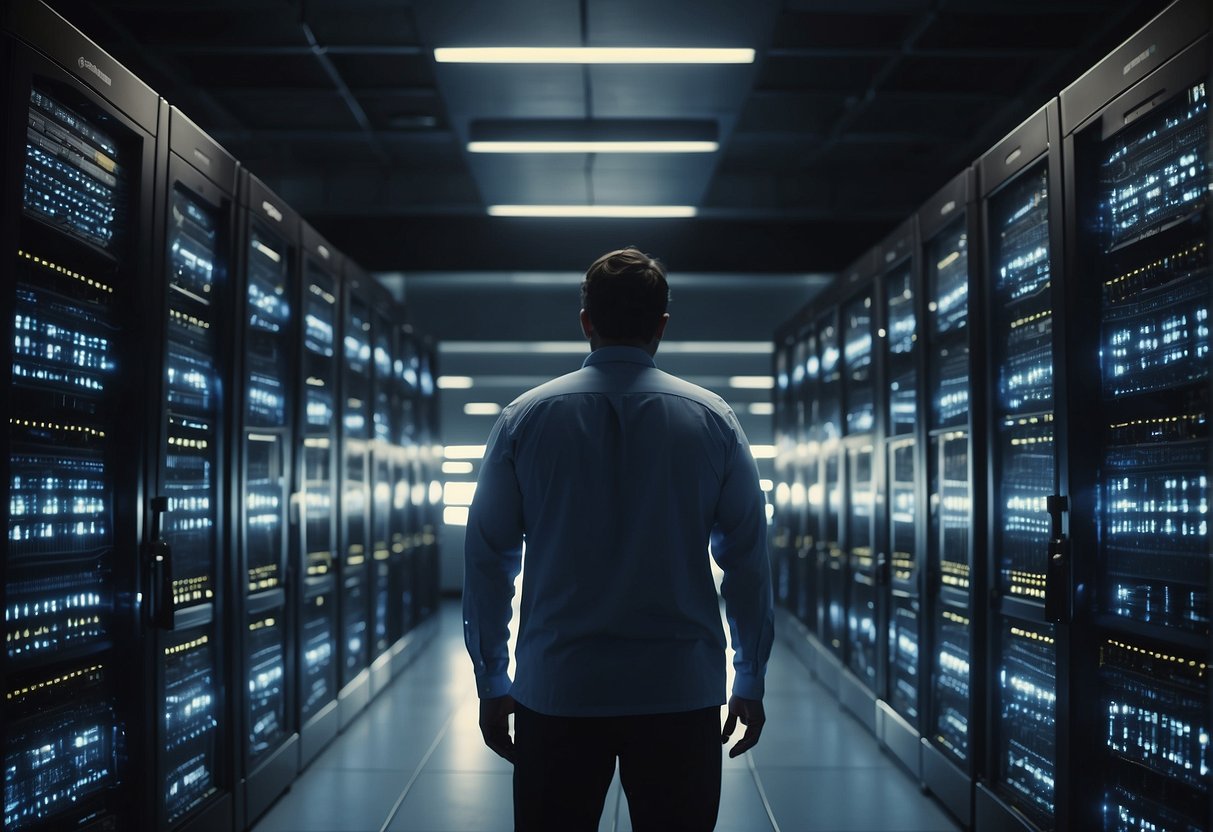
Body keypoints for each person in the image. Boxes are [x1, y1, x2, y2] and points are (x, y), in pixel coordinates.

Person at [463, 246, 775, 831]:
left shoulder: (524, 419)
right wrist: (750, 675)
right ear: (661, 325)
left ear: (586, 322)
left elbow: (488, 560)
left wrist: (492, 677)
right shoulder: (714, 420)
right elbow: (747, 562)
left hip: (558, 688)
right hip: (679, 690)